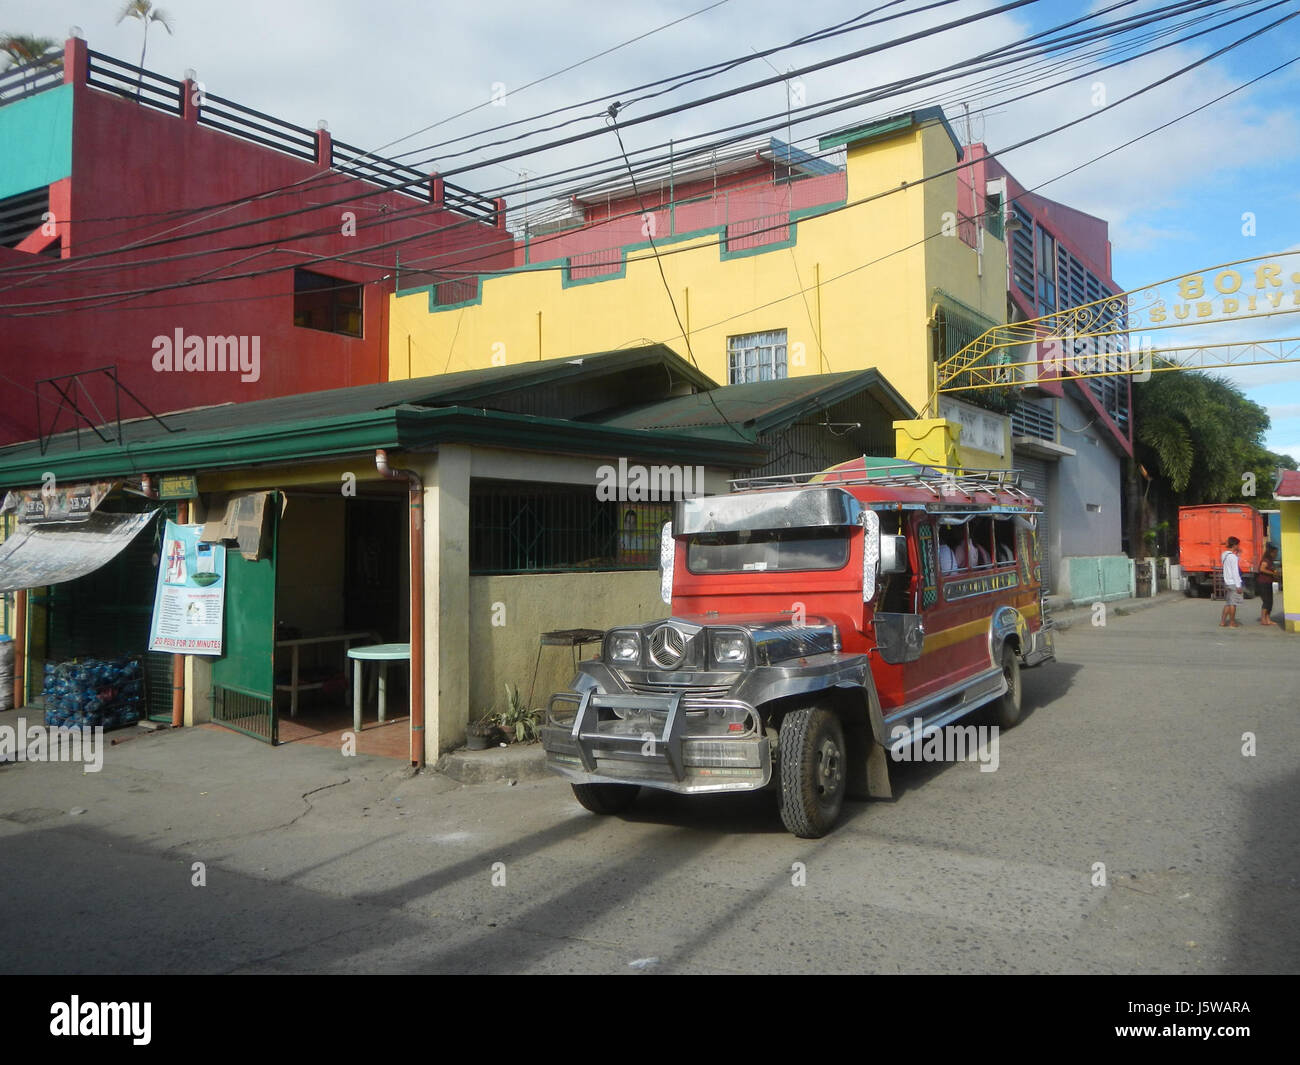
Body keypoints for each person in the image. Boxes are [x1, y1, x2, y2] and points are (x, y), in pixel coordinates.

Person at [1219, 536, 1244, 628]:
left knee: (1228, 603)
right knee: (1233, 603)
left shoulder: (1224, 555)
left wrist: (1237, 554)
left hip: (1227, 582)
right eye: (1237, 545)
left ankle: (1222, 621)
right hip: (1233, 582)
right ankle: (1232, 622)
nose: (1238, 546)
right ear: (1234, 545)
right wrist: (1238, 586)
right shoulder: (1233, 557)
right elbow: (1235, 572)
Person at [1257, 542, 1279, 627]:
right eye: (1275, 552)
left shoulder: (1271, 561)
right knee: (1266, 601)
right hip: (1263, 582)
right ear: (1271, 552)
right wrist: (1272, 573)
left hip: (1268, 582)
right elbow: (1262, 569)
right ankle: (1263, 619)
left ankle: (1268, 619)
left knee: (1270, 602)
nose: (1276, 554)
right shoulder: (1266, 559)